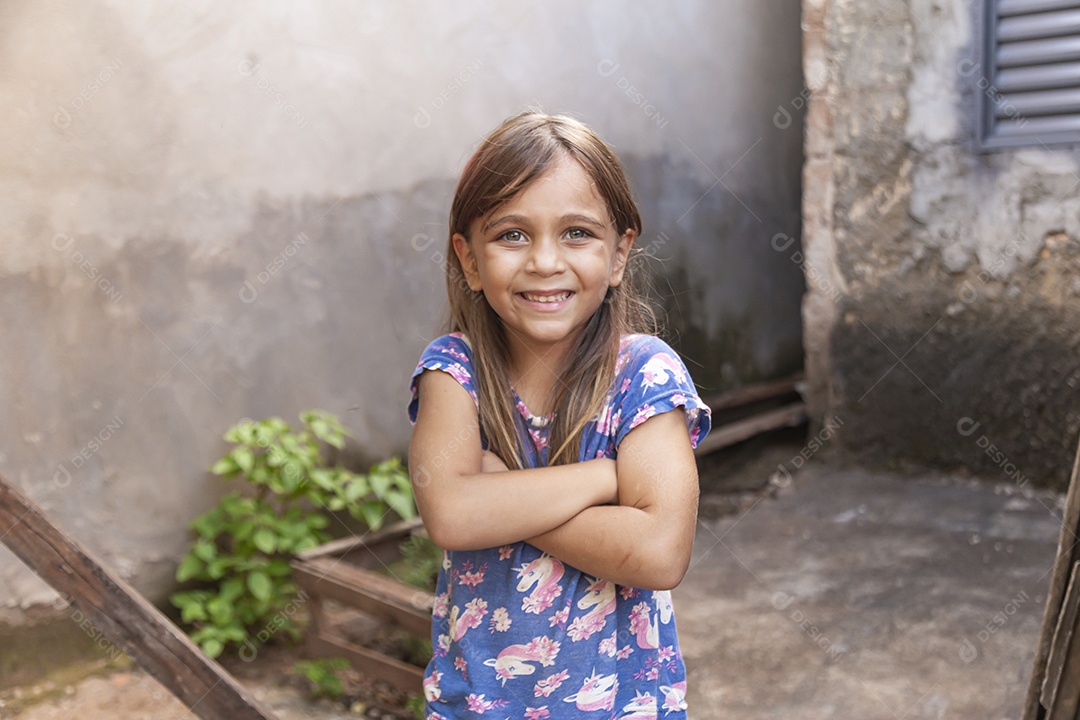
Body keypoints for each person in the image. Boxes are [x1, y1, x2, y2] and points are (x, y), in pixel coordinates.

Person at [407, 111, 711, 719]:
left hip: (624, 706)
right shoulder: (454, 373)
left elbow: (658, 552)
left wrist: (498, 495)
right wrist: (605, 480)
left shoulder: (644, 376)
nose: (545, 261)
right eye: (512, 235)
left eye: (577, 233)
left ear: (620, 252)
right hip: (478, 707)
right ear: (468, 259)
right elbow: (451, 513)